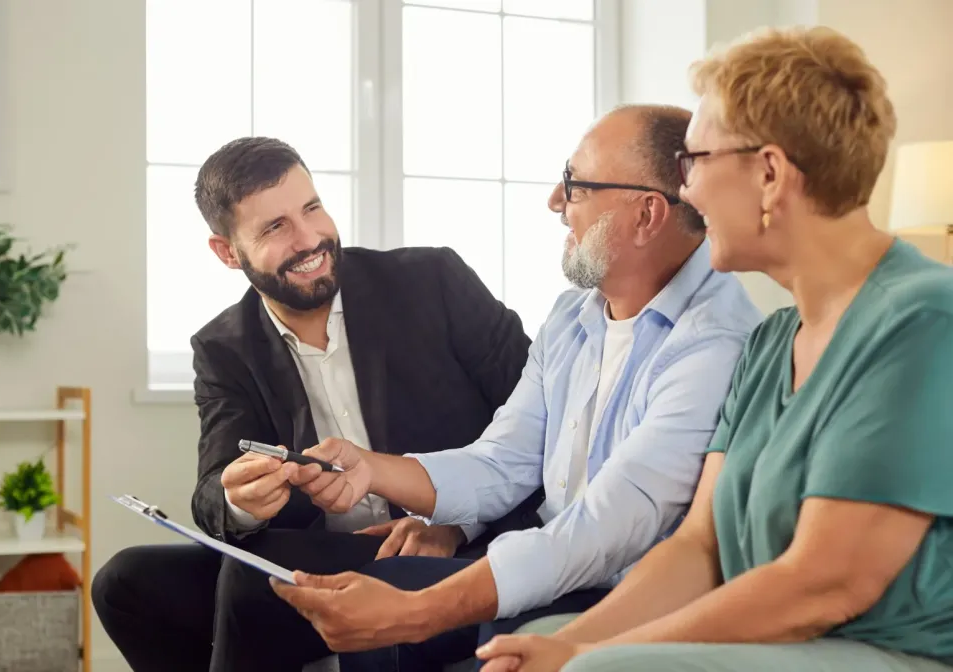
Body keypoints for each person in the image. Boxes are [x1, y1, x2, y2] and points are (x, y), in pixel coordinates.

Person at [471, 25, 953, 672]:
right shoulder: (771, 342)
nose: (687, 192)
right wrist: (567, 643)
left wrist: (587, 653)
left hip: (892, 653)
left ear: (770, 173)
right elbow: (699, 548)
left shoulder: (922, 320)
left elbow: (823, 585)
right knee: (544, 640)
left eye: (694, 162)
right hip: (788, 642)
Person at [271, 104, 764, 669]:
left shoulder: (713, 343)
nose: (556, 201)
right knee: (382, 588)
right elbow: (503, 462)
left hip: (626, 590)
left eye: (575, 185)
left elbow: (607, 529)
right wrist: (367, 468)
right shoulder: (572, 317)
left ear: (646, 215)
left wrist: (419, 611)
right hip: (555, 561)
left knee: (434, 621)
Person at [91, 137, 538, 672]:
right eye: (275, 227)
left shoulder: (432, 281)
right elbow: (212, 492)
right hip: (333, 554)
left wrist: (453, 524)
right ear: (227, 252)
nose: (310, 240)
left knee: (259, 571)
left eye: (312, 208)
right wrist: (240, 499)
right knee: (124, 583)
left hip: (455, 543)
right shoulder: (224, 346)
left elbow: (546, 427)